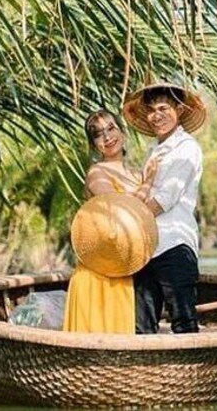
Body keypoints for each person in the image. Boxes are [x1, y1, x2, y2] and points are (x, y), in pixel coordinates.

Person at [62, 109, 157, 334]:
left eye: (111, 128)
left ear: (122, 133)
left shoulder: (137, 174)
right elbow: (121, 210)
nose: (107, 136)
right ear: (94, 145)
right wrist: (149, 181)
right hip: (97, 272)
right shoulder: (97, 173)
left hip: (125, 270)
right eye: (97, 134)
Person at [122, 82, 206, 334]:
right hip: (147, 248)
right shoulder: (154, 151)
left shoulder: (187, 148)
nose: (156, 116)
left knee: (184, 323)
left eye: (163, 108)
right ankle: (147, 374)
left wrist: (129, 220)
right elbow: (143, 194)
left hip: (174, 247)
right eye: (151, 110)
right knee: (142, 326)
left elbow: (162, 202)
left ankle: (191, 373)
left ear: (179, 109)